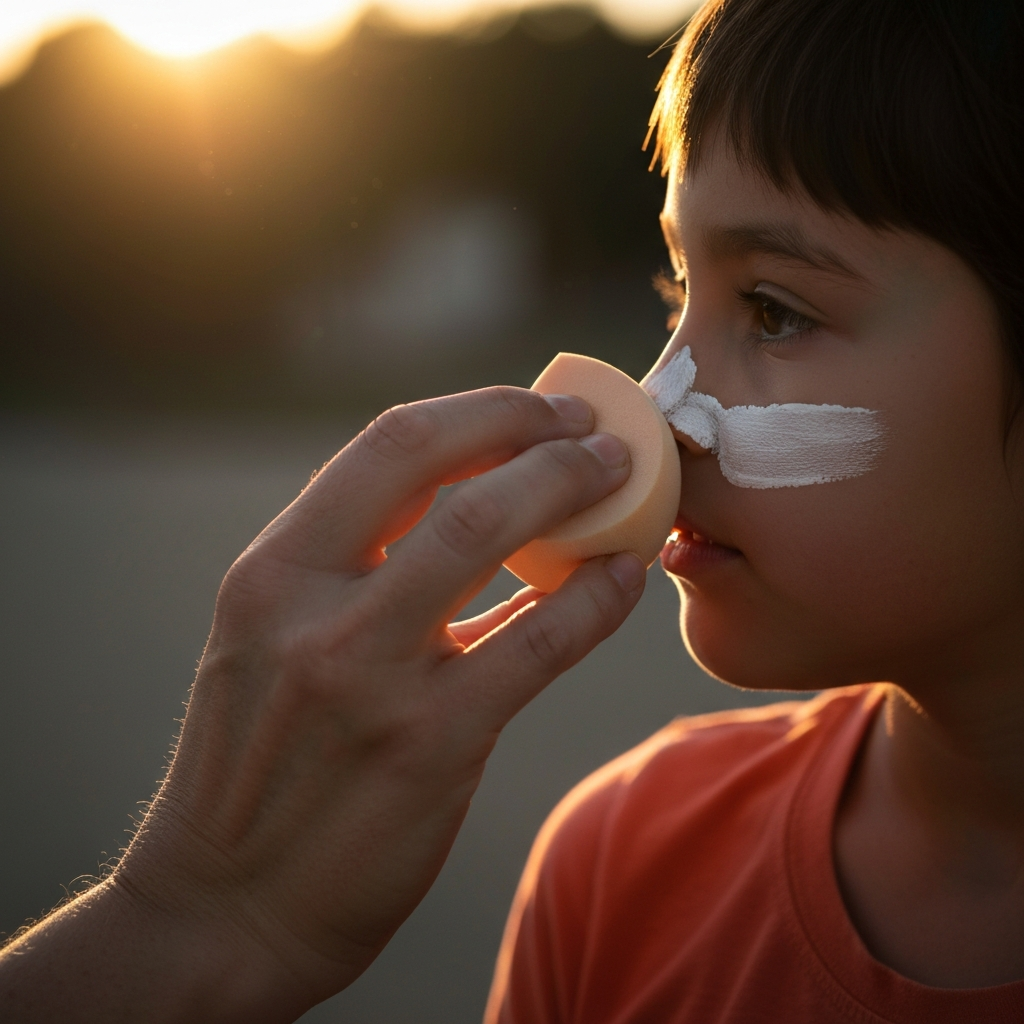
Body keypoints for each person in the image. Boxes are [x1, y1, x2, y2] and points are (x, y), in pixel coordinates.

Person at [2, 0, 1023, 1020]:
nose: (657, 408)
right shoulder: (626, 863)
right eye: (677, 298)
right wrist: (206, 921)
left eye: (773, 309)